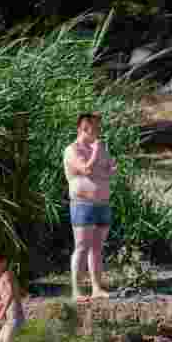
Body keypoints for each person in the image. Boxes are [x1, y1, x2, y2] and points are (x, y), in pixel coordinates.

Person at [63, 113, 117, 301]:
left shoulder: (101, 148)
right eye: (95, 128)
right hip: (82, 205)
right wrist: (96, 152)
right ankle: (76, 291)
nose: (98, 131)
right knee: (81, 247)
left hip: (102, 204)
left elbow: (111, 168)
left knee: (97, 248)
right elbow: (86, 168)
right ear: (84, 128)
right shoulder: (72, 150)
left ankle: (96, 288)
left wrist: (106, 165)